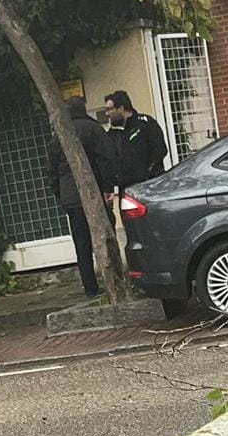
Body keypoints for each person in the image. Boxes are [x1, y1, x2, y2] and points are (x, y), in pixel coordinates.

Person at [47, 96, 117, 299]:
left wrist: (60, 193)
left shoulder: (59, 134)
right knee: (105, 237)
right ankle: (114, 280)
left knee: (81, 242)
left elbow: (51, 170)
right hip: (94, 193)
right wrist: (107, 187)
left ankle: (90, 288)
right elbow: (107, 159)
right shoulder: (94, 129)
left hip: (71, 197)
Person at [104, 90, 168, 191]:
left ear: (120, 108)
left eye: (109, 109)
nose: (106, 113)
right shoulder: (113, 133)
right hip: (126, 189)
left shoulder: (145, 123)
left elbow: (160, 149)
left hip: (151, 185)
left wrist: (148, 172)